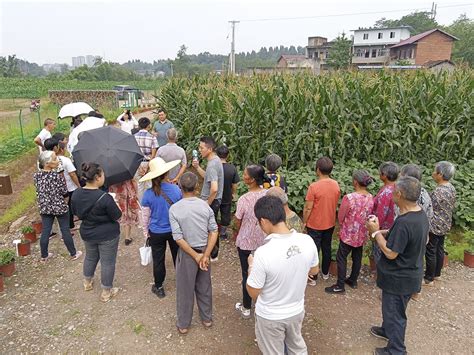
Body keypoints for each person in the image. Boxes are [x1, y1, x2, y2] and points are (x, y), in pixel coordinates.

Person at [247, 195, 319, 355]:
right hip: (296, 310)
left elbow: (253, 292)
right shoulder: (307, 241)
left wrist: (251, 267)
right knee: (296, 347)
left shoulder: (263, 253)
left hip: (270, 316)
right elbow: (314, 271)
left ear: (264, 221)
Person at [366, 176, 429, 355]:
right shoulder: (419, 214)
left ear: (399, 194)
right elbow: (403, 236)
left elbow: (391, 253)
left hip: (399, 279)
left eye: (394, 191)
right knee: (391, 309)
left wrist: (375, 233)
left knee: (396, 314)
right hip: (410, 274)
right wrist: (383, 231)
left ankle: (396, 350)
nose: (392, 194)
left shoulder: (405, 222)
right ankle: (387, 330)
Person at [169, 172, 218, 335]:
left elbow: (178, 238)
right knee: (204, 286)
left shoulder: (175, 209)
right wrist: (205, 255)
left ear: (180, 187)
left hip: (187, 253)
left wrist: (195, 256)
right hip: (204, 250)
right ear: (197, 187)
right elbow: (214, 231)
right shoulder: (205, 206)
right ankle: (207, 319)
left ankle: (183, 324)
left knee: (185, 289)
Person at [71, 163, 122, 303]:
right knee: (107, 262)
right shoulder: (105, 197)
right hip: (107, 235)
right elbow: (117, 216)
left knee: (90, 257)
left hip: (87, 232)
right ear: (98, 177)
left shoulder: (76, 194)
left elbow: (75, 213)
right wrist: (116, 204)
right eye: (103, 174)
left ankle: (87, 282)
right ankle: (106, 291)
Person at [325, 170, 374, 294]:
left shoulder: (349, 198)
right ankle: (353, 280)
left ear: (355, 182)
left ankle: (340, 285)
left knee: (341, 257)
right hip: (361, 233)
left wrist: (341, 226)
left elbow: (341, 216)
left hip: (348, 233)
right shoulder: (370, 197)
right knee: (357, 256)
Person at [140, 157, 182, 298]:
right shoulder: (176, 190)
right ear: (166, 173)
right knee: (178, 257)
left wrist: (146, 233)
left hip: (156, 232)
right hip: (174, 230)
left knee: (158, 259)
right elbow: (181, 211)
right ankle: (183, 283)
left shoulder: (147, 195)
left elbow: (145, 218)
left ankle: (158, 286)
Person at [33, 151, 82, 262]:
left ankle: (44, 256)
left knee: (46, 231)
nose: (58, 161)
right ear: (47, 163)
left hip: (44, 207)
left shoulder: (36, 176)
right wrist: (65, 202)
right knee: (65, 230)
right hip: (59, 206)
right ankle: (73, 253)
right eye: (55, 159)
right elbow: (64, 192)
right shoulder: (57, 176)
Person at [233, 164, 268, 319]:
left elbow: (237, 222)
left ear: (252, 180)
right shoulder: (268, 195)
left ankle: (246, 307)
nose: (243, 175)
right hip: (264, 241)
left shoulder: (244, 199)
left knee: (247, 274)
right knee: (265, 274)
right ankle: (264, 305)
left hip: (246, 243)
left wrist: (237, 234)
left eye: (245, 174)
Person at [303, 157, 340, 285]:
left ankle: (313, 278)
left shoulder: (313, 187)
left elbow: (308, 208)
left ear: (318, 170)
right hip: (329, 222)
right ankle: (325, 273)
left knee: (314, 250)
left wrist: (304, 222)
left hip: (315, 224)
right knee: (327, 247)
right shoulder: (335, 184)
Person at [424, 161, 456, 286]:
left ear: (440, 174)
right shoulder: (451, 188)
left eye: (434, 171)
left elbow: (430, 207)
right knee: (440, 248)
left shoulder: (438, 191)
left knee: (431, 250)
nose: (432, 173)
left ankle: (429, 277)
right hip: (445, 222)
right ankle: (437, 274)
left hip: (435, 225)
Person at [192, 136, 224, 261]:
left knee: (210, 228)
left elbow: (214, 188)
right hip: (215, 200)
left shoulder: (212, 164)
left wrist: (207, 203)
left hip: (212, 201)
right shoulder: (216, 160)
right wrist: (197, 168)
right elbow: (209, 178)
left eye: (202, 148)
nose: (200, 150)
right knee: (212, 225)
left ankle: (212, 254)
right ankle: (213, 253)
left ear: (209, 149)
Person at [372, 162, 399, 262]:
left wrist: (375, 229)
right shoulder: (397, 188)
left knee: (381, 255)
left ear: (384, 175)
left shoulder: (386, 192)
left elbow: (380, 214)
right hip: (395, 227)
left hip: (384, 230)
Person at [215, 145, 240, 239]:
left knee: (214, 212)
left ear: (217, 155)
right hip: (227, 195)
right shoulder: (232, 168)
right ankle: (222, 233)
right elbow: (235, 184)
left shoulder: (214, 167)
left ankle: (213, 231)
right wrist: (233, 193)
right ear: (228, 155)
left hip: (215, 195)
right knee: (225, 214)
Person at [108, 179, 140, 245]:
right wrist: (136, 193)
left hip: (118, 195)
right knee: (128, 215)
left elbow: (110, 189)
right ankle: (127, 237)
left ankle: (124, 235)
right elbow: (133, 181)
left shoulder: (112, 175)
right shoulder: (125, 172)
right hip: (128, 193)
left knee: (121, 214)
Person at [134, 117, 159, 201]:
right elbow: (153, 154)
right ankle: (149, 204)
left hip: (137, 163)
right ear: (148, 126)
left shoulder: (133, 137)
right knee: (149, 184)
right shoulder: (152, 137)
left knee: (139, 185)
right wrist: (147, 166)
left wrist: (139, 166)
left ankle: (141, 206)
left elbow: (133, 153)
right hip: (148, 163)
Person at [57, 142, 81, 230]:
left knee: (65, 206)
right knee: (70, 207)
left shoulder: (52, 160)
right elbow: (72, 174)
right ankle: (70, 226)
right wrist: (78, 185)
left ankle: (68, 225)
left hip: (60, 188)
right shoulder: (65, 160)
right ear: (62, 149)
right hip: (70, 187)